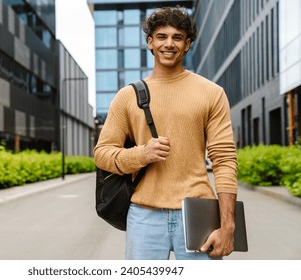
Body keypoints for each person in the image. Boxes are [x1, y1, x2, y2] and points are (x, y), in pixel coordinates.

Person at [93, 6, 238, 260]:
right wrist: (142, 154)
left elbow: (224, 159)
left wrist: (228, 225)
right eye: (161, 36)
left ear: (188, 44)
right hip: (144, 214)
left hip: (199, 213)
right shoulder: (127, 97)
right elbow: (102, 154)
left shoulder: (211, 93)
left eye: (177, 37)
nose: (168, 44)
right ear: (150, 42)